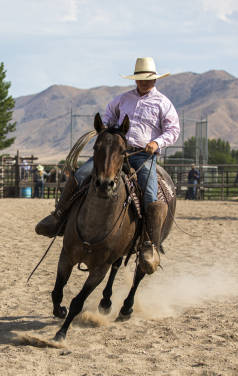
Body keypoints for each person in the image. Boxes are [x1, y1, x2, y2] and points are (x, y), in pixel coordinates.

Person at [36, 57, 180, 275]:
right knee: (80, 175)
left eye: (147, 79)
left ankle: (149, 244)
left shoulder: (163, 103)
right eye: (140, 79)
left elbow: (172, 130)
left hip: (142, 155)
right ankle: (58, 216)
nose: (143, 83)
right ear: (136, 79)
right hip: (114, 152)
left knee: (150, 194)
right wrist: (109, 133)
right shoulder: (122, 99)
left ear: (154, 80)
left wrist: (156, 142)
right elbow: (107, 116)